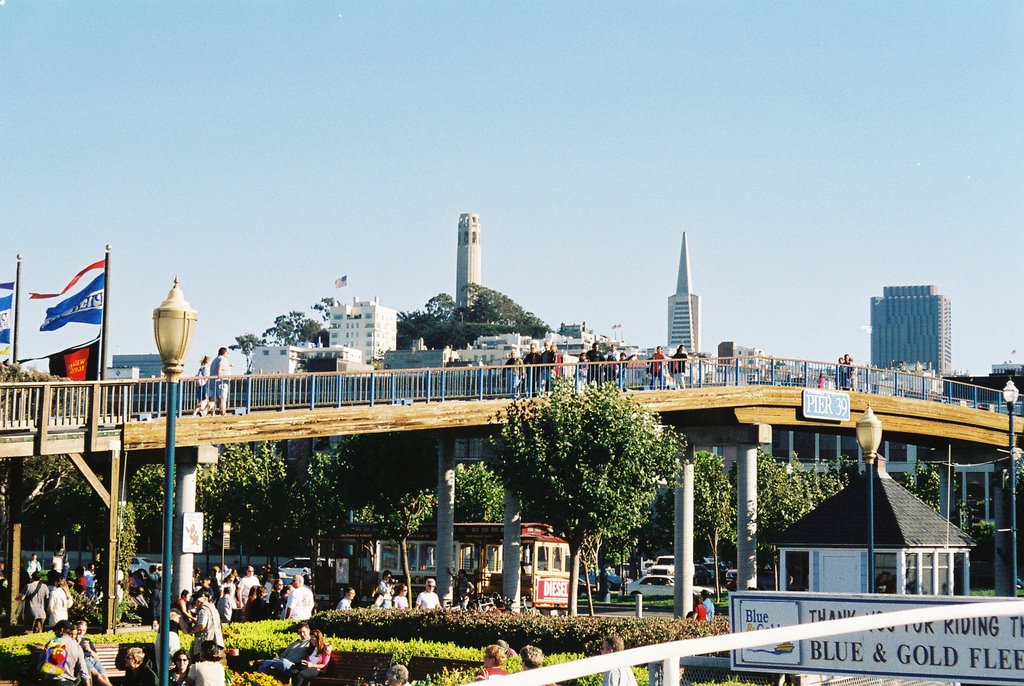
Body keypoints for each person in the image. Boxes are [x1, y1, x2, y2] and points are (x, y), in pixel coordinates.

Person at [42, 620, 91, 685]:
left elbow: (42, 661)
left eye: (55, 630)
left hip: (52, 682)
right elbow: (83, 669)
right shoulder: (77, 646)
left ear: (61, 630)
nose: (54, 633)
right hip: (69, 682)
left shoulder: (52, 643)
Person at [74, 620, 112, 686]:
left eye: (83, 630)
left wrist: (89, 649)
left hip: (93, 660)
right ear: (76, 629)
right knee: (97, 675)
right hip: (84, 660)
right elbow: (74, 654)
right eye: (79, 630)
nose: (81, 632)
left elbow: (97, 657)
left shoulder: (87, 640)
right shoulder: (73, 640)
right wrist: (78, 642)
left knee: (105, 676)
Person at [191, 590, 224, 659]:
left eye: (195, 602)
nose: (194, 605)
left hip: (207, 643)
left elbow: (201, 626)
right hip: (217, 641)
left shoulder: (203, 610)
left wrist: (191, 631)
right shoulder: (213, 608)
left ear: (198, 601)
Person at [209, 347, 232, 416]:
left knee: (213, 399)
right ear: (224, 353)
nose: (228, 354)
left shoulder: (215, 359)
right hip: (221, 381)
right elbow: (221, 364)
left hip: (213, 381)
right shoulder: (223, 359)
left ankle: (208, 412)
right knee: (223, 398)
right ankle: (223, 413)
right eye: (227, 353)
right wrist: (219, 373)